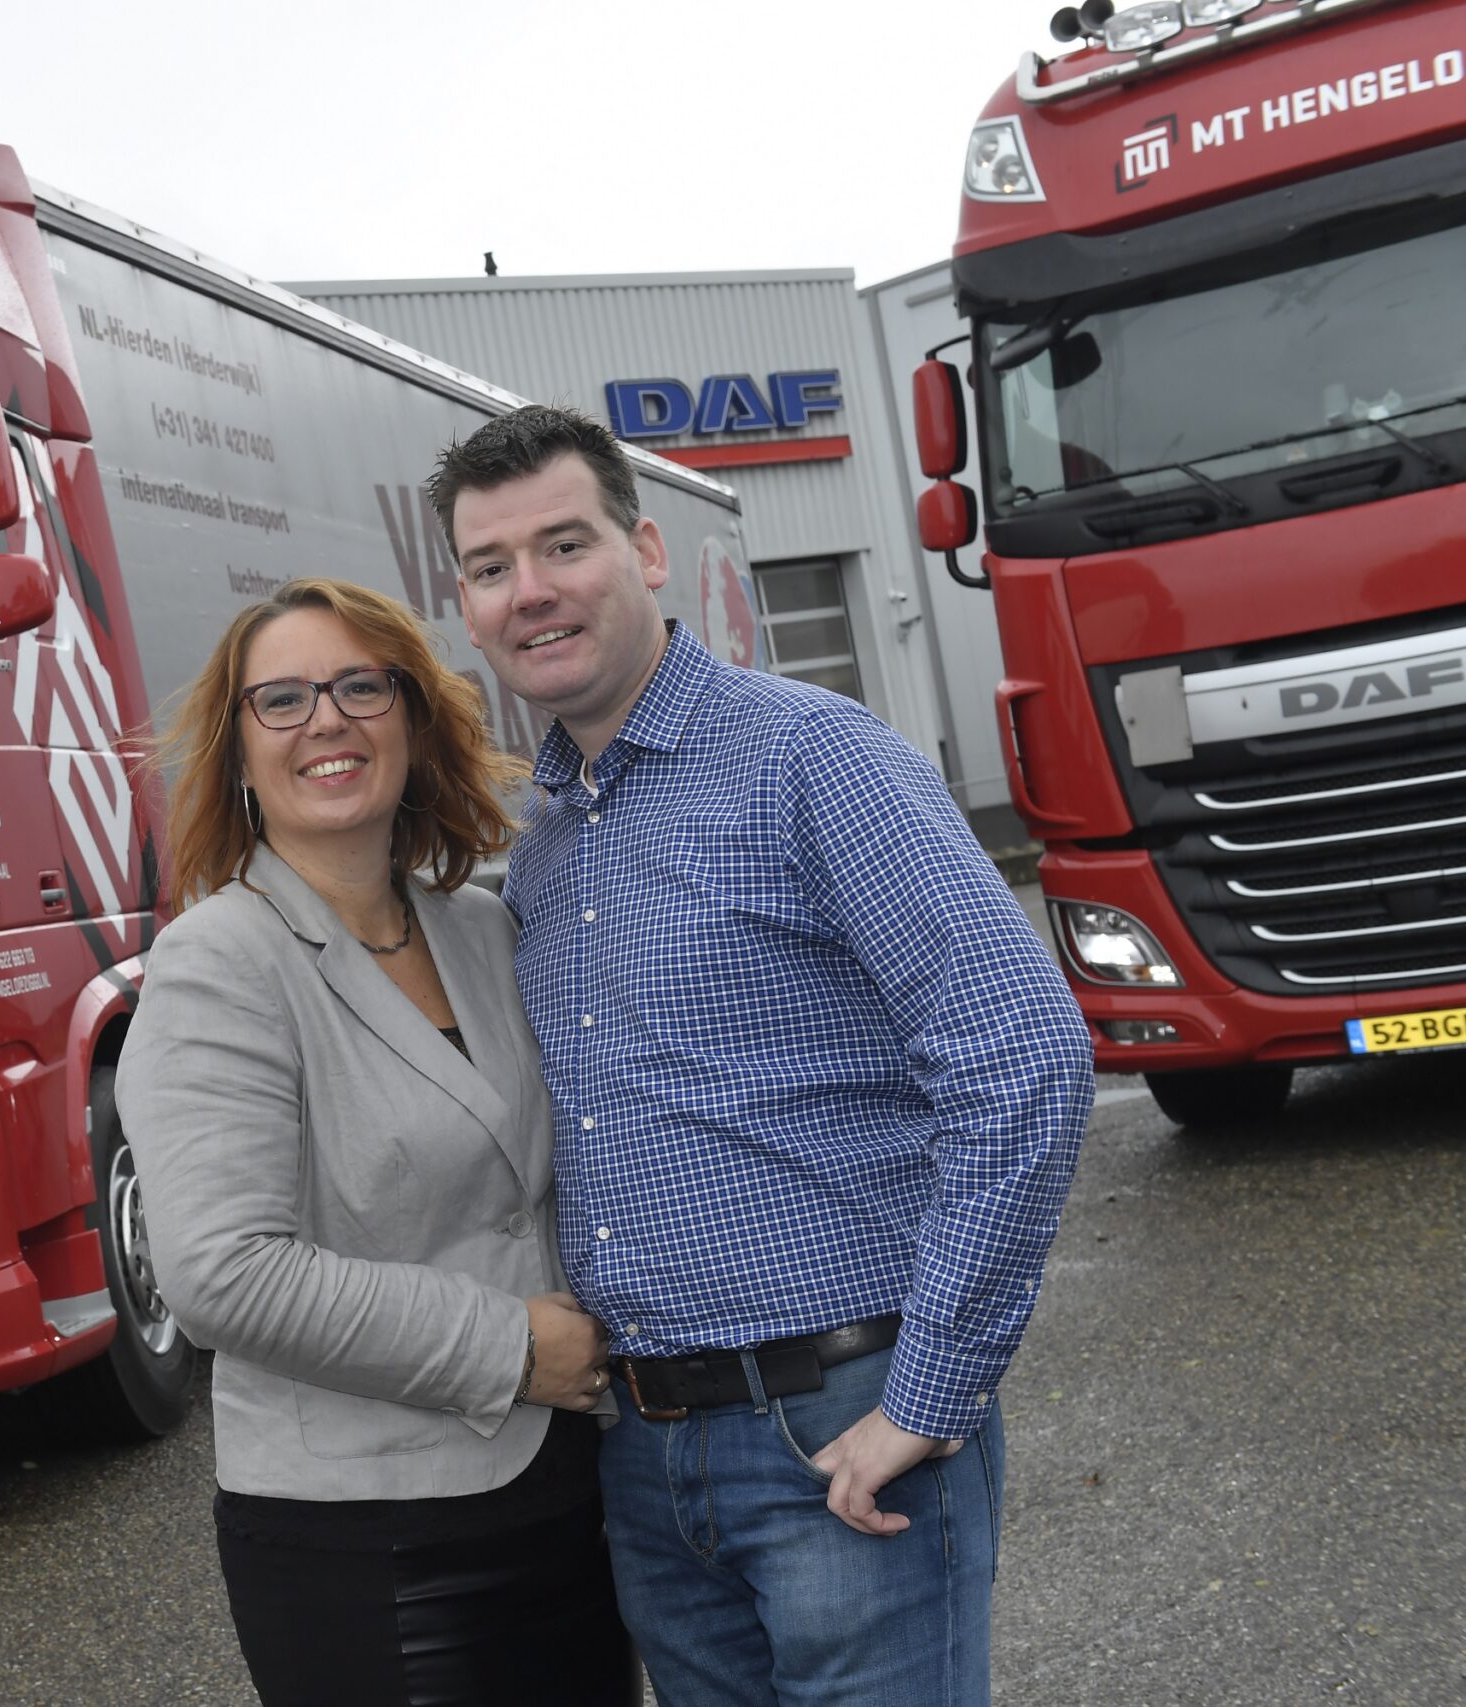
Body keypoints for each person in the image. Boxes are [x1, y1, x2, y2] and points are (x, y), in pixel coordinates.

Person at [431, 404, 1094, 1707]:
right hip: (647, 1453)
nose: (531, 591)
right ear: (465, 604)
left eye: (564, 545)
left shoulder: (809, 758)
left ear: (646, 551)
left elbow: (1021, 1058)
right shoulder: (544, 838)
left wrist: (930, 1394)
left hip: (841, 1424)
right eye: (491, 565)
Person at [114, 578, 633, 1706]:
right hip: (371, 1554)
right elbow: (221, 1275)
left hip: (569, 1502)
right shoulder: (218, 963)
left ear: (413, 719)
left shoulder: (485, 928)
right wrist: (508, 1347)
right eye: (282, 699)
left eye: (361, 686)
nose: (327, 721)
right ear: (238, 751)